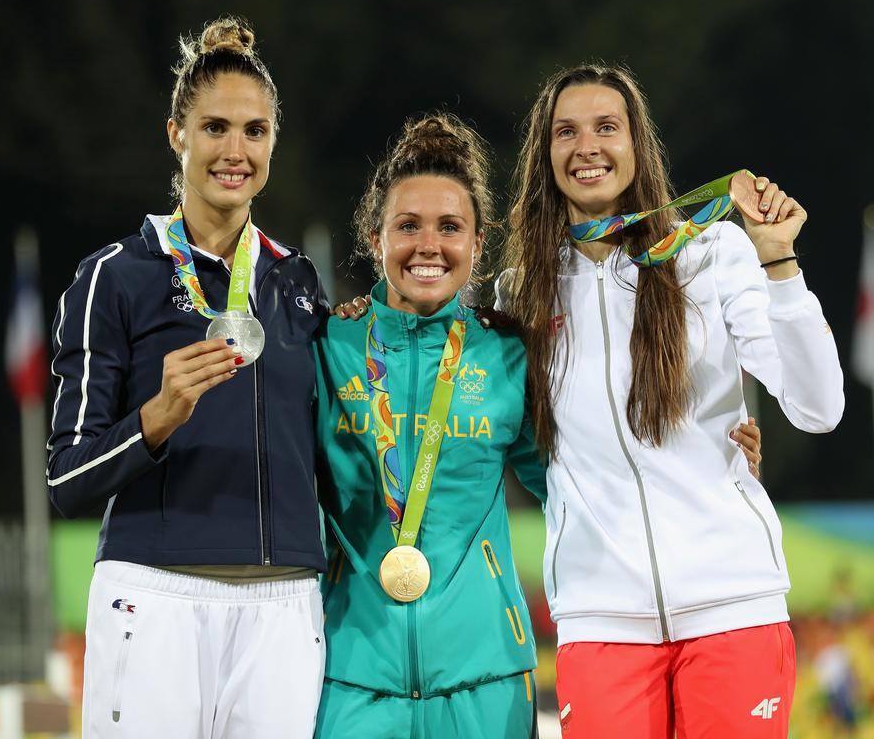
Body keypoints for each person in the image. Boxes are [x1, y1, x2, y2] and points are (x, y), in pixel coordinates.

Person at [499, 63, 844, 738]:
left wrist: (778, 262)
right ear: (545, 156)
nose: (587, 146)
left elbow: (817, 406)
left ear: (637, 144)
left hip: (732, 606)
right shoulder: (521, 295)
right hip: (600, 621)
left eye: (607, 127)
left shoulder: (712, 254)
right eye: (566, 132)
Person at [46, 18, 327, 738]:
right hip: (155, 595)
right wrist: (155, 419)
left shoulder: (297, 284)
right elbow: (65, 480)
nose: (236, 151)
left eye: (255, 131)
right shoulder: (114, 277)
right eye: (215, 128)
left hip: (284, 603)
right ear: (177, 134)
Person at [313, 113, 547, 738]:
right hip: (350, 673)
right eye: (407, 226)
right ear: (374, 237)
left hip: (487, 674)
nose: (428, 246)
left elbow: (579, 482)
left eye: (451, 227)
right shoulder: (327, 345)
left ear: (477, 243)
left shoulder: (509, 354)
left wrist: (704, 455)